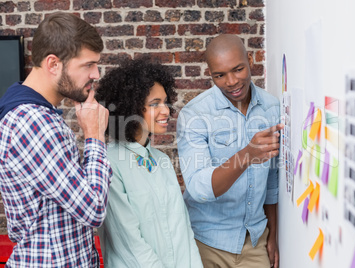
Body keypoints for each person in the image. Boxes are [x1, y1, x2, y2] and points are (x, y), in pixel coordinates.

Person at [0, 12, 112, 267]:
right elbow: (92, 209)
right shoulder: (31, 122)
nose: (96, 74)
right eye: (87, 65)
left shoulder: (38, 115)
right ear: (53, 64)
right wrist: (94, 136)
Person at [177, 34, 283, 268]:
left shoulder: (272, 107)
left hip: (255, 241)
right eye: (220, 75)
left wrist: (273, 235)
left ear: (251, 61)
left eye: (238, 69)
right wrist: (247, 155)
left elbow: (272, 183)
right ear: (210, 74)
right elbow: (198, 188)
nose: (232, 81)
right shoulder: (194, 115)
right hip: (205, 241)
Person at [96, 57, 203, 268]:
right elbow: (128, 242)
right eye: (155, 104)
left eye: (165, 102)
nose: (166, 111)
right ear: (130, 108)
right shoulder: (109, 162)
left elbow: (183, 232)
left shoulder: (161, 160)